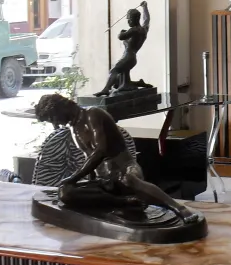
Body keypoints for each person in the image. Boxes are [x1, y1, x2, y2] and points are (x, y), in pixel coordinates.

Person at [34, 93, 200, 225]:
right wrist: (80, 184)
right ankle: (123, 202)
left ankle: (180, 209)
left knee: (128, 179)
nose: (56, 125)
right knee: (65, 192)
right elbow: (88, 160)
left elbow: (100, 151)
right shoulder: (73, 129)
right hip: (105, 181)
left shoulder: (93, 114)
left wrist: (73, 177)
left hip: (125, 169)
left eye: (54, 118)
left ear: (61, 107)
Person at [94, 1, 152, 96]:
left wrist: (121, 32)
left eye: (128, 19)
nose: (128, 21)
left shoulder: (134, 30)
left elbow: (121, 36)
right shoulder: (143, 30)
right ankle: (136, 83)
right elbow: (146, 19)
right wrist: (145, 7)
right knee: (122, 79)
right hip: (132, 57)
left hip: (128, 57)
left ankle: (106, 89)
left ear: (133, 20)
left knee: (114, 71)